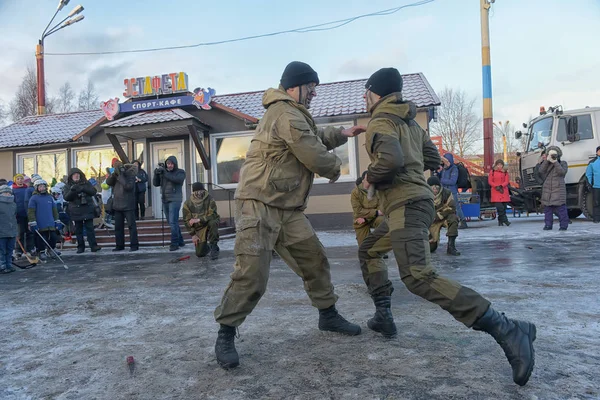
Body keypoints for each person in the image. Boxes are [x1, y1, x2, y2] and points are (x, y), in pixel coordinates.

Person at [357, 67, 535, 386]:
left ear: (376, 93)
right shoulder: (410, 122)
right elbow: (432, 158)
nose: (365, 98)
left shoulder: (380, 120)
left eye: (367, 93)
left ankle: (508, 329)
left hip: (405, 206)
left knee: (417, 276)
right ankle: (383, 315)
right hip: (417, 202)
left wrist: (371, 176)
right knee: (369, 251)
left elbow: (391, 161)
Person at [213, 61, 367, 370]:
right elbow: (311, 152)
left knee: (315, 260)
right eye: (310, 88)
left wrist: (341, 133)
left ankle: (328, 315)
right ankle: (226, 332)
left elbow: (312, 137)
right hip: (259, 204)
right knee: (252, 274)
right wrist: (338, 168)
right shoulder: (284, 113)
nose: (313, 94)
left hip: (286, 208)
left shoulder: (293, 114)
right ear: (294, 87)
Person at [64, 168, 101, 253]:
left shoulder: (86, 183)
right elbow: (66, 198)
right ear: (71, 177)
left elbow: (93, 191)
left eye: (78, 174)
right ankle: (80, 247)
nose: (76, 176)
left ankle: (93, 246)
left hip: (87, 209)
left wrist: (83, 188)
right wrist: (73, 190)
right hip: (76, 211)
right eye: (74, 175)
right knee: (78, 230)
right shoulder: (68, 186)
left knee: (90, 229)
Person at [153, 156, 186, 251]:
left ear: (174, 164)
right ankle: (180, 241)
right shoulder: (164, 173)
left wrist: (165, 172)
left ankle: (174, 243)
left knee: (173, 221)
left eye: (171, 164)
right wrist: (156, 174)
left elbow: (177, 180)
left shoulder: (180, 172)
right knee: (171, 222)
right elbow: (156, 183)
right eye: (168, 164)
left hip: (175, 199)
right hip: (165, 199)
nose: (170, 165)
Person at [106, 160, 139, 252]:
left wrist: (121, 176)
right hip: (117, 204)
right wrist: (114, 174)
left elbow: (129, 187)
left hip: (128, 204)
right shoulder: (116, 176)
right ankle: (119, 245)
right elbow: (108, 183)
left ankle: (134, 245)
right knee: (118, 227)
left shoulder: (130, 175)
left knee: (131, 226)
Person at [183, 182, 220, 260]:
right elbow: (186, 220)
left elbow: (213, 215)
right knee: (200, 254)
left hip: (209, 222)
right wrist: (193, 235)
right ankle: (208, 247)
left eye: (201, 190)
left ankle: (213, 245)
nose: (200, 193)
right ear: (193, 192)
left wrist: (199, 219)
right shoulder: (188, 203)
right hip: (199, 227)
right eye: (197, 191)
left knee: (213, 222)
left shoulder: (210, 199)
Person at [27, 179, 62, 261]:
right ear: (36, 188)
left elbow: (54, 210)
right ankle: (41, 251)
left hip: (50, 222)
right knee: (41, 238)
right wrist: (33, 222)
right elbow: (31, 211)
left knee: (53, 237)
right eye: (40, 187)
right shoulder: (34, 198)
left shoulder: (50, 197)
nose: (42, 188)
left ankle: (51, 249)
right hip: (40, 222)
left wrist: (57, 220)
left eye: (44, 186)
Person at [427, 176, 460, 256]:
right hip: (431, 221)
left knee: (453, 218)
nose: (435, 190)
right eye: (432, 188)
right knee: (431, 248)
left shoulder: (447, 193)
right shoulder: (424, 195)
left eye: (437, 187)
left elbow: (452, 207)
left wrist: (439, 215)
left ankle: (451, 246)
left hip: (444, 217)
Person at [538, 146, 569, 230]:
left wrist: (555, 162)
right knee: (547, 209)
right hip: (547, 189)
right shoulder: (547, 163)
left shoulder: (563, 163)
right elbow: (541, 171)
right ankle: (548, 225)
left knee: (561, 209)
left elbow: (562, 172)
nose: (552, 156)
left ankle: (563, 225)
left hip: (558, 189)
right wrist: (547, 160)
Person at [351, 171, 384, 246]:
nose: (371, 181)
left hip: (373, 218)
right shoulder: (355, 192)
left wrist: (367, 218)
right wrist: (376, 212)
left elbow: (381, 209)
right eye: (368, 178)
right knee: (364, 247)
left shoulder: (378, 191)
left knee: (383, 221)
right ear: (363, 180)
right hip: (361, 220)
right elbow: (358, 211)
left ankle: (379, 246)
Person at [440, 153, 467, 229]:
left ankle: (463, 221)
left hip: (452, 191)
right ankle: (446, 222)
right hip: (445, 191)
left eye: (445, 160)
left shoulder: (454, 169)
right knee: (444, 207)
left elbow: (453, 181)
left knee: (456, 207)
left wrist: (441, 180)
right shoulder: (444, 169)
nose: (444, 162)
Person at [12, 174, 34, 257]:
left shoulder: (27, 189)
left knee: (29, 232)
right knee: (20, 232)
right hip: (18, 214)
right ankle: (18, 250)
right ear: (15, 180)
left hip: (28, 213)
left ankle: (30, 248)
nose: (20, 180)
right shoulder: (13, 190)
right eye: (18, 179)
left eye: (21, 178)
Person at [0, 185, 18, 273]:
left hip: (11, 231)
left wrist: (15, 230)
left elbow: (14, 217)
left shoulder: (13, 204)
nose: (7, 194)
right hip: (1, 231)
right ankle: (2, 265)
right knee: (2, 250)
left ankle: (9, 264)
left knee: (10, 249)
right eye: (5, 192)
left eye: (8, 192)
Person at [488, 160, 511, 226]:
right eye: (498, 165)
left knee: (504, 207)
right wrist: (496, 186)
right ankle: (505, 220)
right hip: (496, 191)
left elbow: (506, 181)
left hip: (503, 191)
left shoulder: (505, 172)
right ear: (496, 165)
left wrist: (501, 186)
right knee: (500, 207)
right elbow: (490, 181)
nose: (499, 166)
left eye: (501, 165)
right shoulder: (492, 172)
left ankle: (500, 221)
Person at [585, 145, 600, 223]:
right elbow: (588, 174)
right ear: (597, 152)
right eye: (599, 150)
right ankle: (597, 219)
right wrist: (590, 184)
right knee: (596, 203)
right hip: (596, 186)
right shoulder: (592, 162)